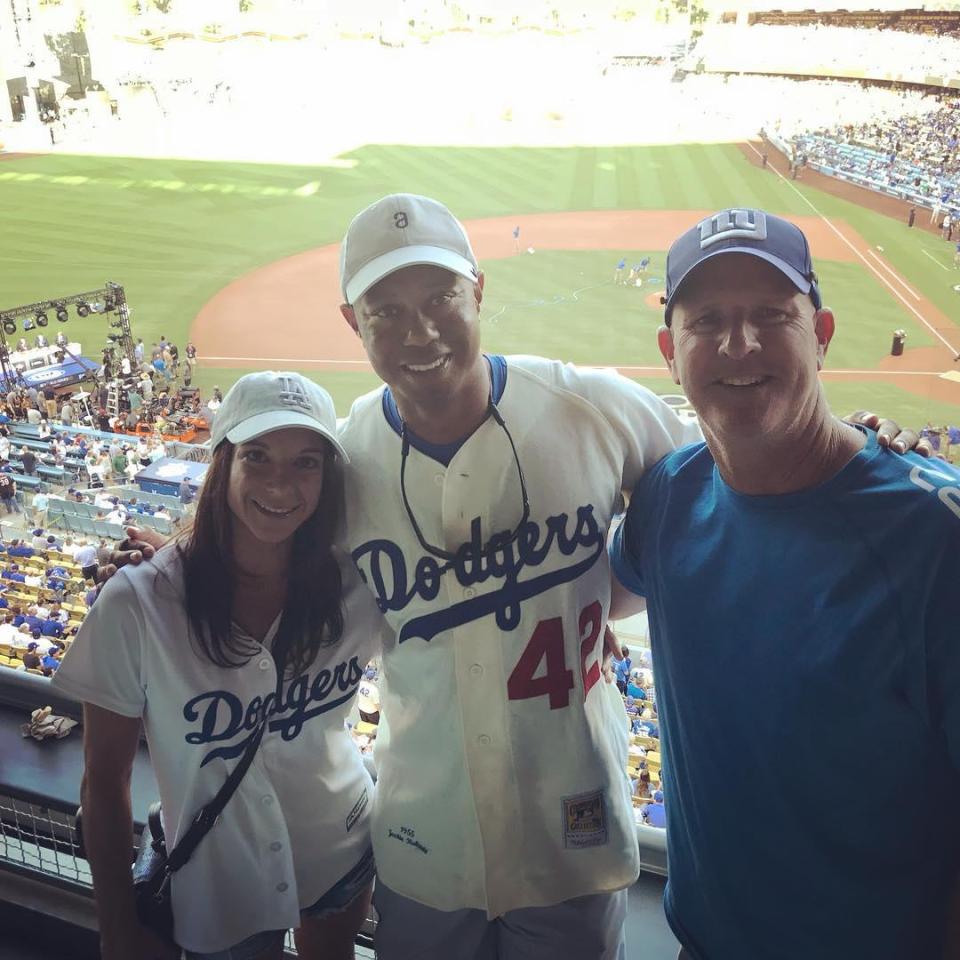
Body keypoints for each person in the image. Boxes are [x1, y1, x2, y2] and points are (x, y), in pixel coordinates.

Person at [610, 208, 960, 959]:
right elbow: (587, 586)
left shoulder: (936, 540)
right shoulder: (668, 493)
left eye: (772, 315)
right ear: (672, 352)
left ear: (822, 333)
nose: (740, 345)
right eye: (709, 322)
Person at [52, 371, 388, 960]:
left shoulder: (359, 581)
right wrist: (116, 928)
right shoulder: (138, 603)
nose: (281, 484)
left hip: (339, 848)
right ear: (223, 462)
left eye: (306, 462)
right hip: (216, 877)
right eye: (257, 456)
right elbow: (104, 783)